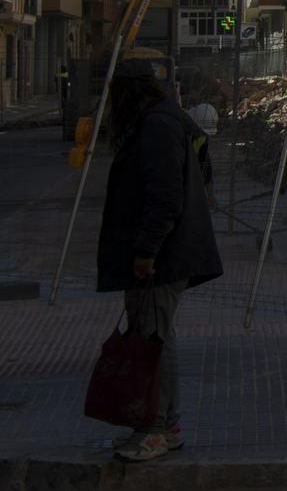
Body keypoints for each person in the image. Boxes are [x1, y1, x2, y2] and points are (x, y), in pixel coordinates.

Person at [95, 57, 222, 463]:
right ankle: (160, 427)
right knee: (155, 338)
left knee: (154, 342)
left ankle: (157, 429)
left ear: (127, 94)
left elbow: (165, 197)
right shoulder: (164, 120)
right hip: (168, 251)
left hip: (164, 256)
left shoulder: (157, 127)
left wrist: (147, 252)